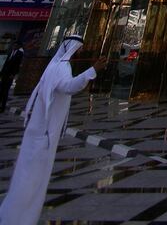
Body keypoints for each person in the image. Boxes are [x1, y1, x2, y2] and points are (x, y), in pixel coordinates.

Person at [0, 34, 106, 225]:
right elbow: (68, 86)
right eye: (79, 48)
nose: (80, 51)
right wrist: (93, 70)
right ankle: (18, 218)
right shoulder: (61, 68)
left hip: (40, 131)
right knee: (31, 178)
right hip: (44, 133)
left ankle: (18, 215)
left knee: (29, 174)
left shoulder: (54, 67)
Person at [0, 42, 25, 111]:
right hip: (5, 73)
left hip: (10, 75)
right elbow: (6, 63)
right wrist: (2, 73)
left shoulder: (20, 53)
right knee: (1, 89)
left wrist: (13, 74)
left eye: (15, 45)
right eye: (13, 45)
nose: (14, 46)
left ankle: (3, 107)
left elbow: (17, 65)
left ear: (18, 46)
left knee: (5, 90)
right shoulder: (11, 52)